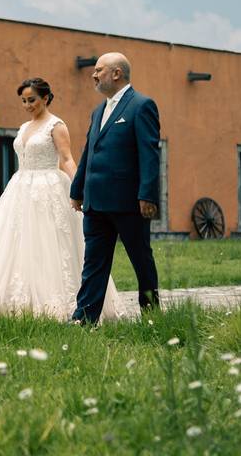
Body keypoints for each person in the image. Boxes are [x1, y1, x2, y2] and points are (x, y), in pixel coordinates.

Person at [0, 78, 123, 321]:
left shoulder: (57, 126)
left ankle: (63, 304)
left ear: (45, 98)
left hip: (49, 189)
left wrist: (80, 188)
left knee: (50, 244)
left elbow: (66, 158)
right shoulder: (24, 127)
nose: (27, 105)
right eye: (23, 101)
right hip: (20, 189)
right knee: (13, 244)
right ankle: (12, 300)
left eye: (31, 100)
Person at [70, 52, 161, 325]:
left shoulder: (142, 105)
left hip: (128, 203)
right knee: (93, 264)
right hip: (95, 203)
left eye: (99, 70)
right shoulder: (99, 110)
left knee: (141, 261)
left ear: (117, 73)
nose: (93, 75)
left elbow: (149, 154)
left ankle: (152, 316)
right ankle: (84, 319)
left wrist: (147, 194)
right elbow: (89, 152)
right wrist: (77, 190)